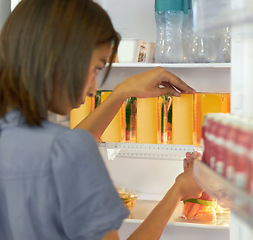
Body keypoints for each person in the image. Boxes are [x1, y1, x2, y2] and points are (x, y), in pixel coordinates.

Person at [0, 0, 202, 240]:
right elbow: (68, 150)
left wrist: (121, 93)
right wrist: (178, 190)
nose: (93, 90)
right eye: (96, 68)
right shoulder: (68, 151)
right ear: (62, 58)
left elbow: (63, 148)